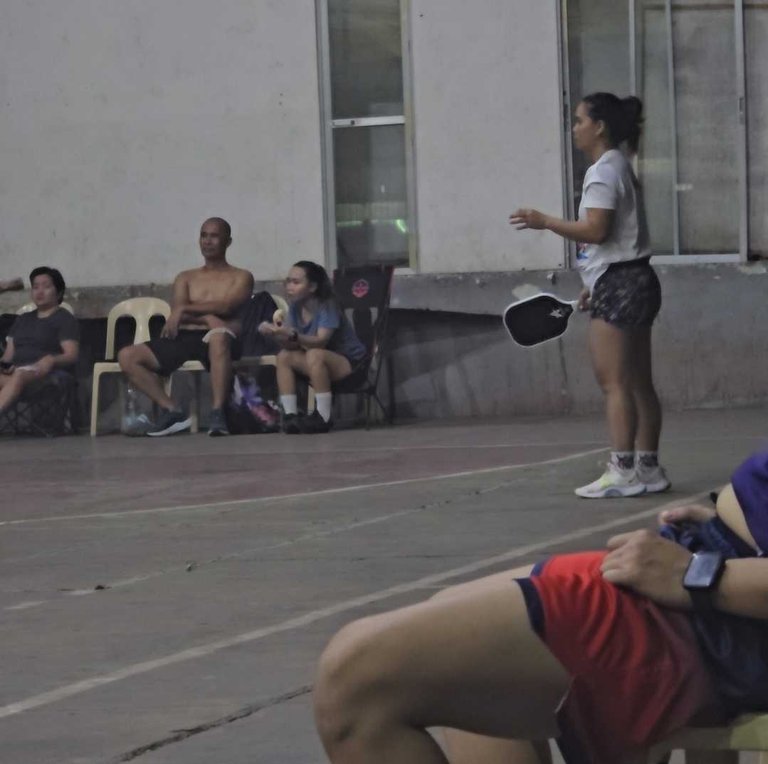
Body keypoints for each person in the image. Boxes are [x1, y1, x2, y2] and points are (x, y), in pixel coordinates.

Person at [313, 450, 768, 764]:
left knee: (355, 678)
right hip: (718, 562)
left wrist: (698, 575)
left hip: (726, 609)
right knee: (453, 628)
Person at [510, 93, 667, 499]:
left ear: (599, 127)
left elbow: (596, 230)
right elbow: (617, 240)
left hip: (620, 284)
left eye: (580, 120)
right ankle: (648, 468)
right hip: (635, 279)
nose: (574, 128)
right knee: (638, 382)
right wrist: (594, 284)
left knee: (614, 383)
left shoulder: (602, 172)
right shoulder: (619, 165)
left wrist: (545, 221)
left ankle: (622, 471)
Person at [118, 218, 253, 436]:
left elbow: (227, 306)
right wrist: (206, 318)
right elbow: (178, 312)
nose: (207, 241)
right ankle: (172, 410)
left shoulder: (241, 276)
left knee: (218, 335)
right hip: (185, 337)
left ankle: (218, 414)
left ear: (228, 242)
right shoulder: (186, 277)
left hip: (224, 340)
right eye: (203, 235)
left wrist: (185, 310)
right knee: (127, 356)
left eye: (214, 236)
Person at [258, 261, 366, 434]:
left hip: (350, 363)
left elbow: (321, 341)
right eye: (288, 281)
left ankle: (323, 415)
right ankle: (290, 415)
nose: (290, 287)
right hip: (316, 362)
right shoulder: (295, 307)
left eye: (296, 282)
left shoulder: (327, 305)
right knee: (284, 355)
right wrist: (276, 334)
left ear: (312, 287)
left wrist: (292, 334)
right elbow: (292, 344)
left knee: (315, 354)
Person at [0, 267, 79, 417]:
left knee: (20, 375)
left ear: (59, 292)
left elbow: (71, 355)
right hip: (16, 375)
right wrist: (4, 366)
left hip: (46, 376)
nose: (40, 291)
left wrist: (51, 359)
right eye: (35, 287)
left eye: (46, 286)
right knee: (17, 374)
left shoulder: (64, 319)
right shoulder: (22, 319)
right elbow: (8, 356)